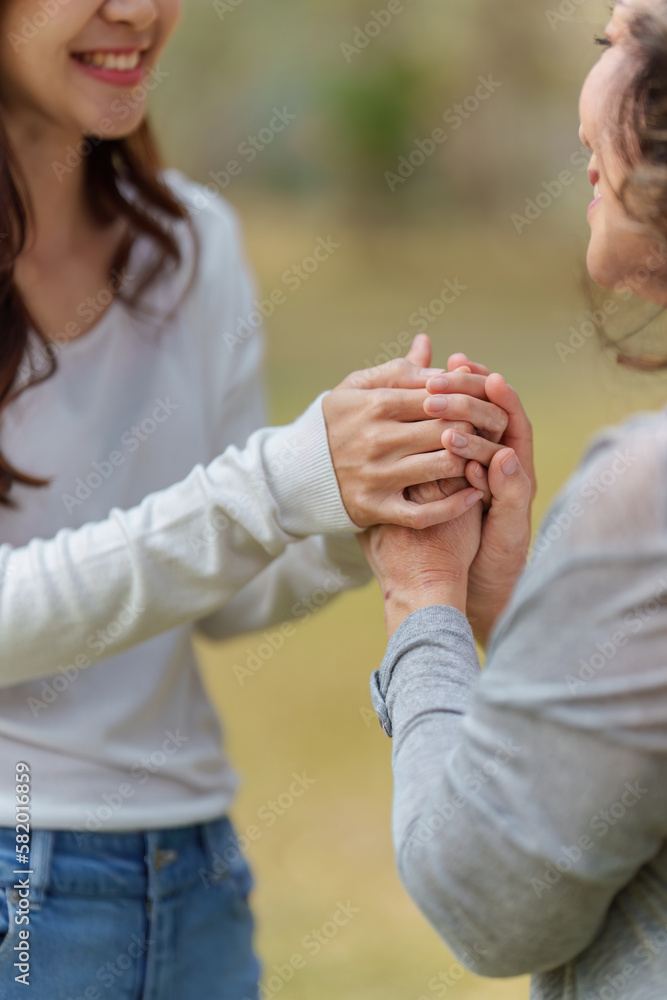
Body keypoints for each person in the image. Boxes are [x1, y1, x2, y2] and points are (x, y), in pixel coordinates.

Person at [0, 1, 529, 998]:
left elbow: (229, 591)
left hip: (192, 869)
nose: (139, 12)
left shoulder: (192, 242)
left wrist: (364, 501)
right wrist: (282, 481)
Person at [363, 1, 667, 997]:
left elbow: (487, 896)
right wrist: (523, 611)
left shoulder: (646, 493)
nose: (607, 60)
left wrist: (424, 601)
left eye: (626, 36)